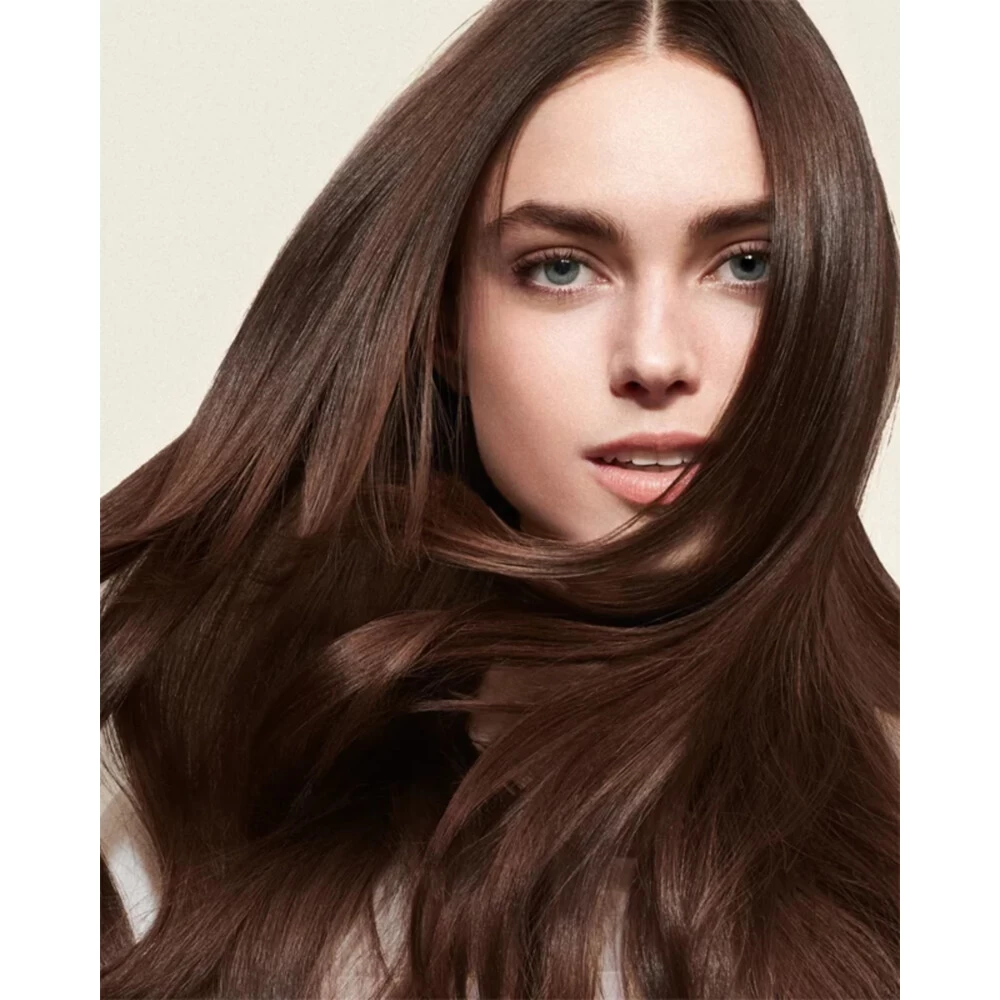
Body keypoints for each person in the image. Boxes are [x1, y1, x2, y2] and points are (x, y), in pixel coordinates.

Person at [100, 1, 900, 997]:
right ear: (446, 325)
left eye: (748, 265)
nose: (656, 357)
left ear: (838, 298)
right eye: (561, 268)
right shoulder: (203, 787)